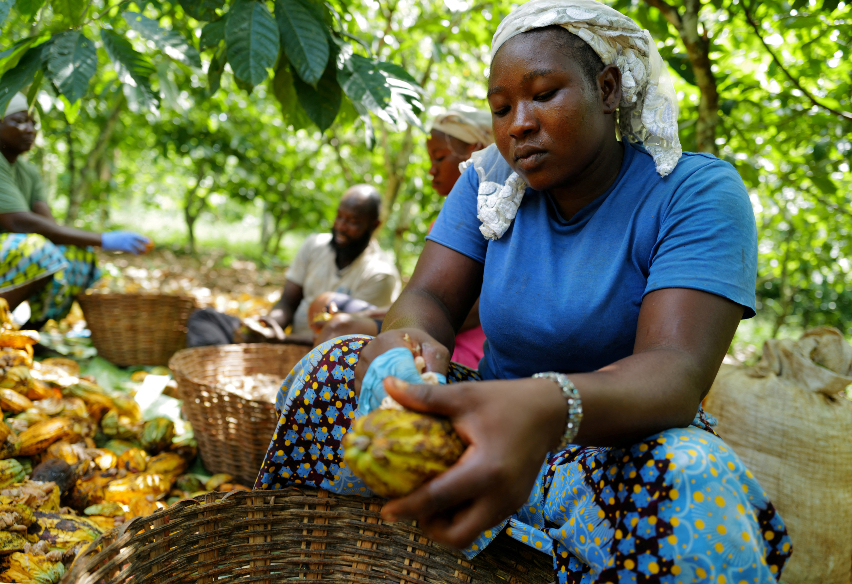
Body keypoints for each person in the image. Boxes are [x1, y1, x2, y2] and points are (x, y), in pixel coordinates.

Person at [256, 1, 792, 582]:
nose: (518, 123)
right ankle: (318, 560)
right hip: (479, 420)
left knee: (690, 479)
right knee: (332, 369)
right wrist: (406, 344)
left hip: (615, 446)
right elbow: (430, 299)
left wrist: (544, 406)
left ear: (607, 88)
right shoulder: (489, 181)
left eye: (543, 94)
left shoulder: (693, 192)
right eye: (501, 107)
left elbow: (675, 370)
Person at [312, 106, 493, 369]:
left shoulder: (488, 215)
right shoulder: (446, 219)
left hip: (461, 348)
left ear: (474, 150)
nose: (432, 171)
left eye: (439, 158)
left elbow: (461, 311)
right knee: (326, 308)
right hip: (434, 329)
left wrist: (384, 324)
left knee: (339, 332)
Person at [0, 93, 151, 328]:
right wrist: (104, 239)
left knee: (76, 255)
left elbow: (49, 226)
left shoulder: (27, 172)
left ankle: (27, 335)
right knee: (36, 250)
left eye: (33, 123)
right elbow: (19, 222)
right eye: (19, 121)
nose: (29, 129)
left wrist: (91, 247)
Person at [186, 184, 401, 347]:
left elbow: (348, 344)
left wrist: (281, 340)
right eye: (339, 217)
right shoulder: (315, 245)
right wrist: (269, 325)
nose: (341, 227)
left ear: (374, 226)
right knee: (205, 318)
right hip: (281, 340)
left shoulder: (380, 274)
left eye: (353, 221)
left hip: (321, 359)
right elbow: (288, 302)